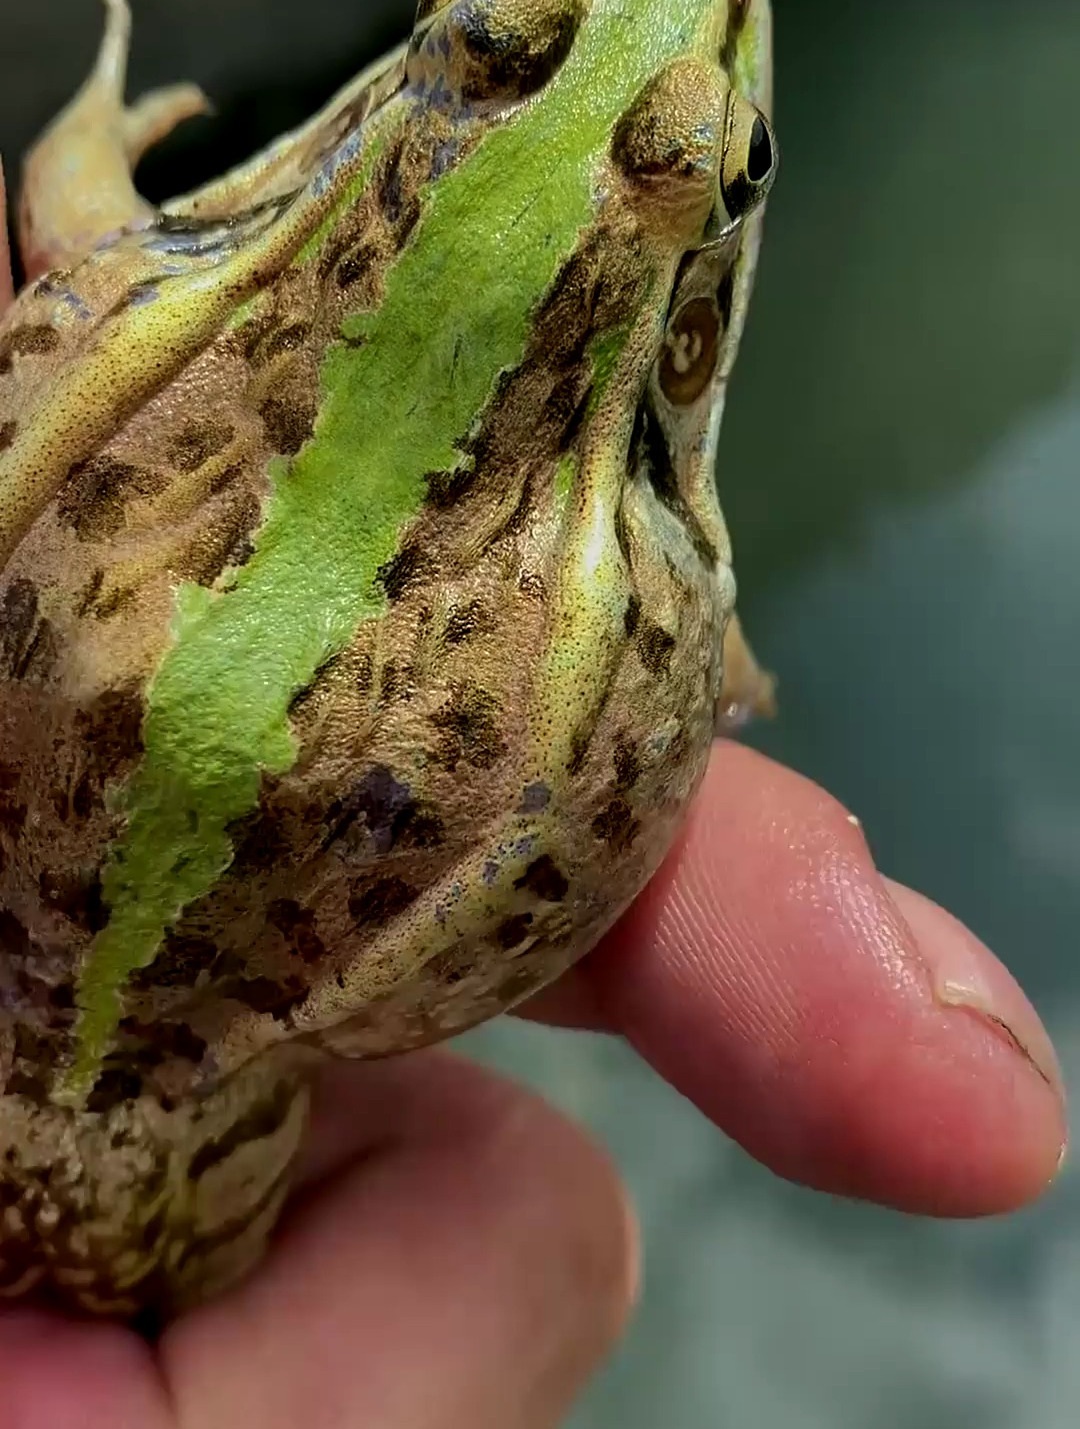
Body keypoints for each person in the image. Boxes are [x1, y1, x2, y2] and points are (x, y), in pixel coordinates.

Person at [0, 173, 1065, 1428]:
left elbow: (79, 217)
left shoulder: (163, 322)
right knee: (532, 1201)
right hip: (185, 1102)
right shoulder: (615, 597)